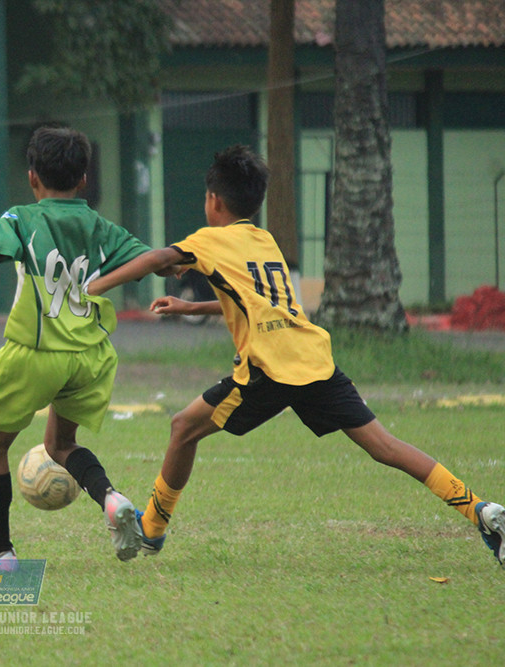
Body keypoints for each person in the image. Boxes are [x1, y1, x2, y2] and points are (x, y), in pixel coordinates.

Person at [86, 144, 505, 567]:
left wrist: (96, 286)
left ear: (214, 200)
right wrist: (192, 307)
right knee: (385, 446)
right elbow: (260, 301)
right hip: (313, 358)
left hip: (269, 369)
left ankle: (153, 528)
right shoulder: (263, 240)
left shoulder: (209, 240)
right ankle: (482, 511)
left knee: (183, 428)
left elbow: (159, 259)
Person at [0, 125, 149, 572]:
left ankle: (0, 555)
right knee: (61, 443)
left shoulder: (20, 218)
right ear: (84, 179)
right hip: (90, 356)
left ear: (32, 177)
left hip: (38, 352)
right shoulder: (101, 226)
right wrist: (177, 265)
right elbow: (149, 259)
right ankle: (111, 498)